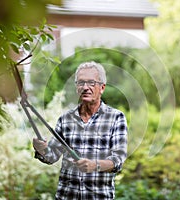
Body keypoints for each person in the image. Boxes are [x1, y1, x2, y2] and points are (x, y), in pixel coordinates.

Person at [33, 61, 128, 200]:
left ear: (102, 87)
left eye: (91, 82)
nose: (85, 87)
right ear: (76, 87)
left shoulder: (116, 118)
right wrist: (42, 149)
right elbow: (51, 157)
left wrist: (94, 166)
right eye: (81, 83)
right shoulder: (65, 119)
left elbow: (118, 161)